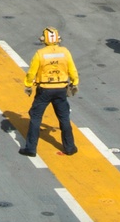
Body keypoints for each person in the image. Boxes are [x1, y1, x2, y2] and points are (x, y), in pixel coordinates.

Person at [19, 27, 79, 157]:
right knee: (64, 118)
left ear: (43, 40)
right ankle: (69, 147)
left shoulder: (40, 54)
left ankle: (30, 148)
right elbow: (72, 70)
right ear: (58, 39)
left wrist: (28, 85)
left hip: (44, 90)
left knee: (35, 117)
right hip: (61, 89)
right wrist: (74, 83)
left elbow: (31, 73)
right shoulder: (65, 52)